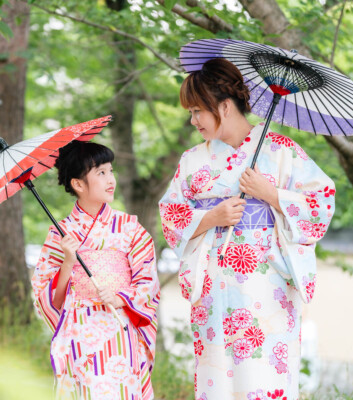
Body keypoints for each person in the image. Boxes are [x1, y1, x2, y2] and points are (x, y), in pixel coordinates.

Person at [159, 58, 335, 399]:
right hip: (212, 287)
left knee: (264, 377)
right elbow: (171, 213)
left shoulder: (281, 151)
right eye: (191, 112)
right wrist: (211, 217)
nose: (193, 120)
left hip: (266, 287)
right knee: (217, 380)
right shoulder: (192, 160)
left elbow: (321, 203)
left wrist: (271, 194)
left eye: (197, 111)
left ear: (224, 107)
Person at [32, 140, 160, 399]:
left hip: (120, 326)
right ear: (78, 184)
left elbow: (148, 282)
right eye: (101, 173)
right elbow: (51, 299)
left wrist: (120, 298)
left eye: (111, 170)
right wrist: (68, 261)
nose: (110, 179)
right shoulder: (60, 234)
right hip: (79, 331)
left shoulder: (130, 228)